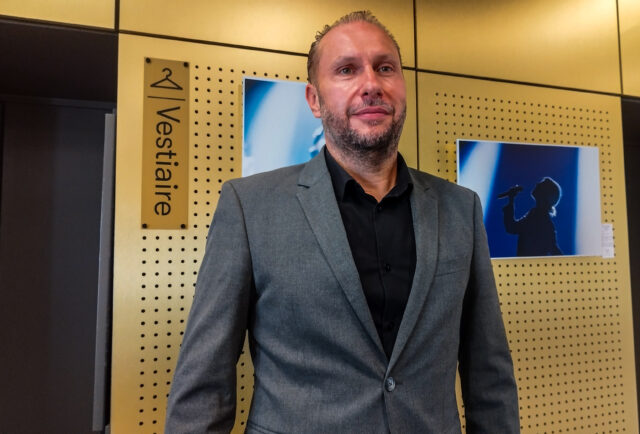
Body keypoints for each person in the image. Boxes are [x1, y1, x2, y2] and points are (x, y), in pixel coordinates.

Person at [166, 10, 519, 433]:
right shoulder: (249, 207)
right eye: (347, 70)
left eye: (385, 68)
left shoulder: (460, 208)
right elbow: (205, 383)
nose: (371, 84)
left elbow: (489, 373)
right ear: (314, 100)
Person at [501, 177, 563, 256]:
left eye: (541, 184)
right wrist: (511, 199)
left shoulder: (542, 220)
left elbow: (512, 228)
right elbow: (512, 227)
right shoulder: (536, 214)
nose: (537, 184)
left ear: (545, 194)